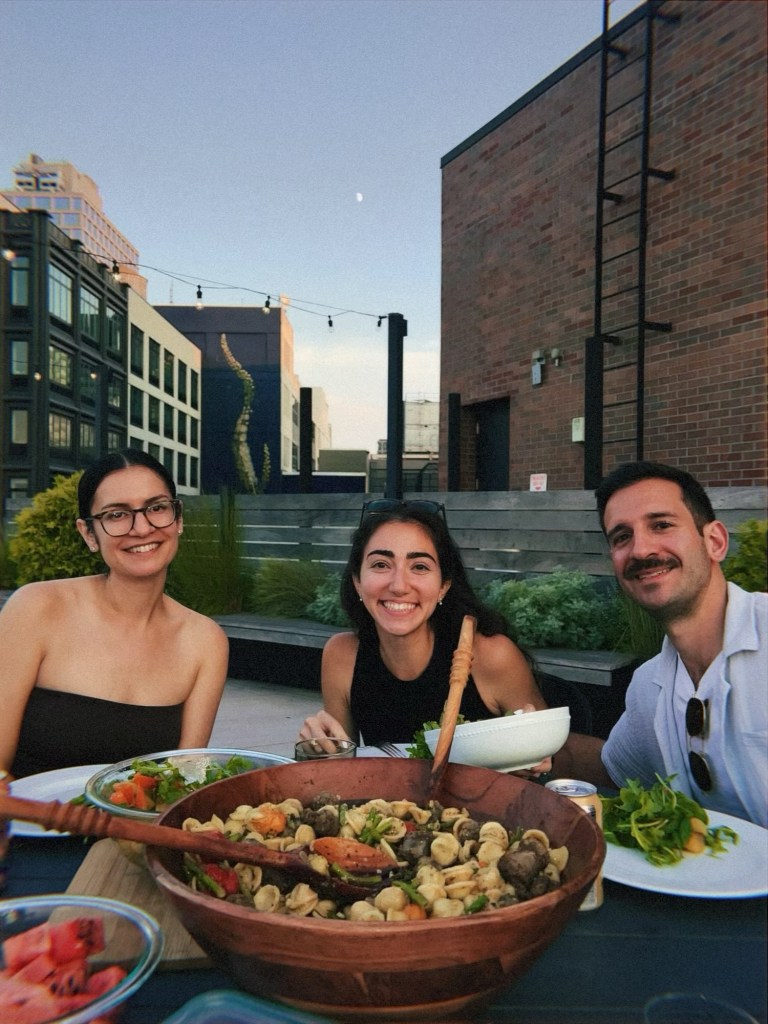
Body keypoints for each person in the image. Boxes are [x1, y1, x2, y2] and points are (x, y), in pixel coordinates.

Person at [553, 461, 767, 828]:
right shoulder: (648, 687)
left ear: (715, 542)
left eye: (661, 525)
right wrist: (521, 743)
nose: (640, 550)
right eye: (622, 537)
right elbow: (613, 769)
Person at [0, 448, 230, 779]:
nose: (142, 528)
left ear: (178, 519)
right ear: (88, 533)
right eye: (117, 514)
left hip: (138, 816)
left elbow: (185, 778)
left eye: (156, 508)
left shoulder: (204, 641)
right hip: (27, 812)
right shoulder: (37, 608)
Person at [299, 498, 547, 749]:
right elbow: (341, 765)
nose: (399, 586)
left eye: (419, 566)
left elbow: (554, 757)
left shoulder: (491, 656)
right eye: (381, 565)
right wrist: (318, 749)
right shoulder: (342, 656)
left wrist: (536, 752)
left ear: (443, 586)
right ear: (358, 582)